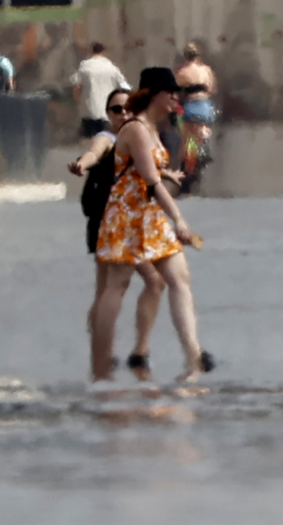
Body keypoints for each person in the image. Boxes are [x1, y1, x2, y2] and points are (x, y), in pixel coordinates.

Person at [92, 67, 212, 383]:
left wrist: (168, 175)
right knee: (116, 285)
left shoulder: (153, 128)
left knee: (179, 279)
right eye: (170, 92)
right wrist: (179, 219)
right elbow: (150, 181)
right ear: (154, 94)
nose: (176, 97)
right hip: (127, 217)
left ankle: (194, 357)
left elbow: (151, 172)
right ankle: (101, 361)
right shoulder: (136, 129)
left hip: (150, 216)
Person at [70, 88, 169, 379]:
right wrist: (81, 164)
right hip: (107, 221)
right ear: (108, 114)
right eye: (116, 109)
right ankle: (112, 354)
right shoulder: (107, 137)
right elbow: (93, 153)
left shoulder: (141, 134)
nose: (123, 113)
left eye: (128, 108)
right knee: (115, 287)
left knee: (143, 284)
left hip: (134, 222)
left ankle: (132, 350)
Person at [71, 42, 129, 137]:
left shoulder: (85, 66)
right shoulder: (112, 68)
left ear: (91, 51)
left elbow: (76, 87)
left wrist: (79, 102)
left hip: (89, 110)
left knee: (90, 140)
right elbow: (125, 86)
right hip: (107, 111)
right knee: (106, 138)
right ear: (104, 52)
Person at [175, 42, 218, 169]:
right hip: (205, 107)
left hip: (189, 107)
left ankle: (185, 162)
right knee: (204, 128)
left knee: (186, 138)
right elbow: (212, 89)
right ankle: (205, 146)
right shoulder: (206, 70)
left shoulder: (182, 72)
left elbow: (177, 92)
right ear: (198, 56)